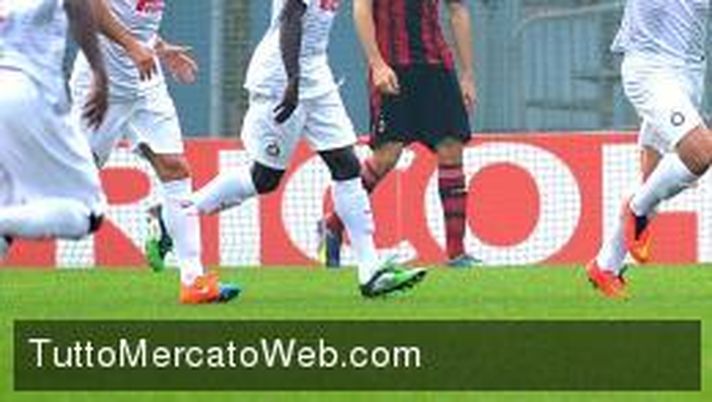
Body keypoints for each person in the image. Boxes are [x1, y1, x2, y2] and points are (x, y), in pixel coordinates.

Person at [186, 0, 428, 298]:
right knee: (264, 178)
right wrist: (292, 79)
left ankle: (370, 271)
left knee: (347, 165)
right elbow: (290, 17)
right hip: (280, 79)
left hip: (317, 77)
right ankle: (180, 213)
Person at [69, 0, 240, 304]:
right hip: (102, 84)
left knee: (175, 168)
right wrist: (132, 45)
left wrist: (157, 45)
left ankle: (194, 281)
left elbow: (134, 15)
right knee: (66, 184)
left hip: (146, 84)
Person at [318, 0, 481, 269]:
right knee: (387, 155)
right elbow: (362, 8)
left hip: (437, 65)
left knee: (451, 147)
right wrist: (377, 64)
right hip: (392, 67)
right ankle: (333, 224)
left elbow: (458, 10)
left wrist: (467, 75)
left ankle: (457, 253)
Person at [588, 0, 711, 298]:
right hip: (651, 70)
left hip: (691, 73)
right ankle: (636, 209)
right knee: (700, 154)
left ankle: (606, 266)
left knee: (651, 180)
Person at [0, 0, 109, 262]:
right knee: (88, 214)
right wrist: (99, 72)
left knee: (6, 203)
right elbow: (78, 4)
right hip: (26, 90)